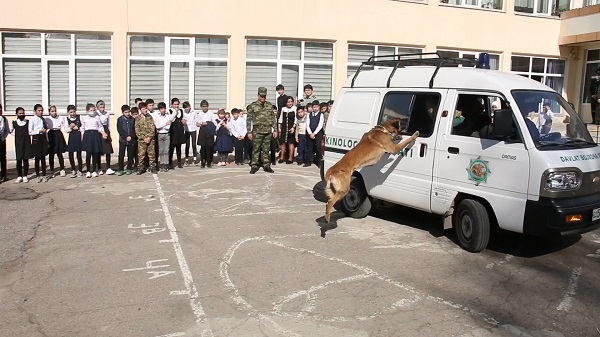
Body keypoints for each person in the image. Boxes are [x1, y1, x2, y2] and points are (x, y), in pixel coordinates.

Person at [246, 87, 278, 174]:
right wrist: (249, 132)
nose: (263, 98)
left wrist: (275, 130)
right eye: (261, 96)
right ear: (258, 95)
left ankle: (266, 165)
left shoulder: (269, 105)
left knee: (266, 150)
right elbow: (249, 120)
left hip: (267, 131)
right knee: (256, 149)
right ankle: (254, 165)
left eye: (264, 96)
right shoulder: (252, 106)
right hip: (257, 132)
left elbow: (273, 118)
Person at [81, 103, 107, 178]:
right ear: (87, 111)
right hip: (88, 135)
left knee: (95, 153)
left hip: (95, 135)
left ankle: (94, 170)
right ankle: (88, 170)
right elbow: (82, 128)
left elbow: (100, 127)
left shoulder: (97, 117)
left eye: (93, 110)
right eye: (91, 110)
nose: (92, 111)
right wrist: (82, 137)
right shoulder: (84, 118)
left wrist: (103, 133)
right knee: (88, 153)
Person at [135, 102, 158, 175]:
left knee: (151, 154)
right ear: (140, 110)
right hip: (142, 141)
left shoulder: (150, 117)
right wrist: (143, 138)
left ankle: (152, 167)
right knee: (141, 155)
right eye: (143, 109)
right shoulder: (138, 119)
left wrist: (150, 137)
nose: (145, 110)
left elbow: (152, 128)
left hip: (150, 140)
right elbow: (137, 130)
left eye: (146, 108)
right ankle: (141, 168)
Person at [11, 107, 32, 183]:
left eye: (23, 113)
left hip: (26, 143)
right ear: (16, 114)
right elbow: (11, 131)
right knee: (19, 160)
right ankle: (19, 176)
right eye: (20, 113)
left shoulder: (28, 122)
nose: (22, 114)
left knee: (26, 160)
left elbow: (30, 131)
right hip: (18, 143)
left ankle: (25, 176)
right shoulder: (14, 123)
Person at [29, 104, 50, 182]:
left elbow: (45, 131)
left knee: (43, 158)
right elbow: (30, 132)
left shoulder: (43, 119)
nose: (41, 112)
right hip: (36, 139)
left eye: (42, 110)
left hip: (43, 138)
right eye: (39, 110)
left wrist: (47, 141)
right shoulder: (32, 120)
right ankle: (38, 175)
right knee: (37, 158)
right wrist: (39, 131)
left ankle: (44, 174)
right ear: (35, 111)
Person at [45, 105, 67, 177]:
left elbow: (65, 126)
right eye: (52, 111)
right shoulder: (47, 119)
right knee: (51, 154)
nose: (54, 113)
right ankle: (52, 170)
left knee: (59, 153)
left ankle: (62, 169)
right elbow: (45, 128)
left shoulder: (60, 117)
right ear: (49, 112)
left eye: (55, 111)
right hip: (51, 134)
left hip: (58, 134)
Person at [96, 100, 115, 175]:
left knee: (107, 150)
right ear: (97, 107)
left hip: (106, 129)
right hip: (98, 131)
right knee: (99, 151)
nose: (102, 109)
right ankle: (99, 168)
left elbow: (108, 124)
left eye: (103, 107)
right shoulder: (96, 114)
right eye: (100, 107)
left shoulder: (107, 113)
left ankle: (108, 167)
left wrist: (108, 133)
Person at [117, 105, 137, 176]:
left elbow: (134, 129)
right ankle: (121, 169)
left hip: (131, 140)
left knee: (130, 154)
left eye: (128, 112)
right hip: (123, 140)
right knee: (121, 155)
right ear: (122, 112)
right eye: (126, 112)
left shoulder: (132, 119)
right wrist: (126, 136)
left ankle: (129, 168)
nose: (128, 114)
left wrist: (131, 136)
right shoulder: (120, 119)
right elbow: (120, 130)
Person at [64, 105, 83, 178]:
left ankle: (80, 170)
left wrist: (77, 128)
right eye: (71, 112)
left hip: (78, 137)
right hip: (71, 137)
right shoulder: (67, 119)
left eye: (74, 112)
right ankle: (73, 169)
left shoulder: (79, 118)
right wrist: (71, 127)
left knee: (79, 154)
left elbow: (82, 127)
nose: (72, 113)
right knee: (71, 154)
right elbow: (67, 130)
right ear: (68, 112)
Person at [196, 100, 215, 168]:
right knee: (203, 147)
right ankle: (203, 162)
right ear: (201, 107)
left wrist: (207, 123)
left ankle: (209, 162)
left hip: (209, 130)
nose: (205, 108)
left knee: (209, 147)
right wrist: (198, 124)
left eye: (206, 106)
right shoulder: (200, 114)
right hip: (203, 130)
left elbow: (214, 123)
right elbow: (198, 122)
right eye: (203, 106)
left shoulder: (211, 113)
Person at [278, 96, 296, 164]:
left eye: (291, 101)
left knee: (290, 143)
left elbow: (296, 120)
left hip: (291, 127)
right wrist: (279, 127)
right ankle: (282, 157)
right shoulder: (283, 109)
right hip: (284, 127)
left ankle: (290, 158)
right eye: (288, 102)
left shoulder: (294, 109)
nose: (290, 103)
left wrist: (293, 127)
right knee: (283, 143)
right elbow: (280, 119)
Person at [305, 101, 324, 167]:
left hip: (318, 133)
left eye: (316, 107)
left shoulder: (321, 114)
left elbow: (320, 125)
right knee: (309, 148)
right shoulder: (309, 114)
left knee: (318, 147)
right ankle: (308, 161)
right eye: (314, 107)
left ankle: (319, 162)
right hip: (310, 132)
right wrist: (310, 133)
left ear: (319, 107)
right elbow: (307, 124)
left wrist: (314, 133)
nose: (315, 108)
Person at [168, 98, 186, 169]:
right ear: (172, 105)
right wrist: (175, 112)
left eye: (177, 104)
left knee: (179, 147)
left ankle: (179, 162)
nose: (176, 106)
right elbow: (170, 119)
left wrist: (184, 122)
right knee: (172, 147)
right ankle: (170, 162)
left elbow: (183, 119)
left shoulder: (181, 111)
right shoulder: (169, 111)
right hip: (173, 131)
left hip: (180, 130)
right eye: (175, 104)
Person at [154, 102, 172, 172]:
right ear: (159, 109)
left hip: (167, 134)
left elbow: (168, 127)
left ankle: (166, 163)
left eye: (164, 108)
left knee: (166, 150)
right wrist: (165, 123)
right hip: (160, 134)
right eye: (162, 109)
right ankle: (162, 163)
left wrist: (163, 125)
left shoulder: (168, 116)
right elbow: (157, 126)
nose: (163, 110)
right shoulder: (157, 116)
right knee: (161, 150)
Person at [182, 101, 198, 166]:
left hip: (193, 129)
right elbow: (183, 120)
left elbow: (196, 119)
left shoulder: (194, 112)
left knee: (194, 144)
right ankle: (186, 159)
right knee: (187, 145)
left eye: (188, 107)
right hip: (186, 130)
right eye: (185, 108)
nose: (187, 109)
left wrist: (197, 123)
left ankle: (195, 158)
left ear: (190, 106)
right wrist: (183, 122)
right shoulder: (183, 113)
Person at [0, 104, 8, 182]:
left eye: (1, 109)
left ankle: (4, 174)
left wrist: (2, 138)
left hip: (1, 140)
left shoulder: (4, 119)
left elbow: (6, 130)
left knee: (3, 157)